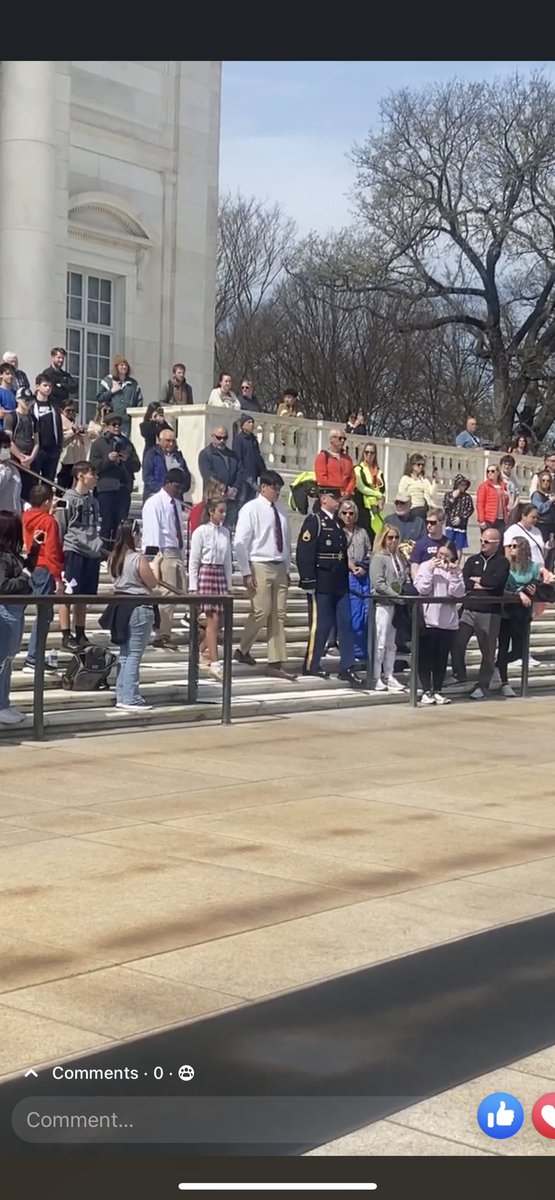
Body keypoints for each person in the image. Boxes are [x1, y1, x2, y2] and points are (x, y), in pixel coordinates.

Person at [296, 487, 365, 688]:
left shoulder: (336, 523)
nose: (338, 500)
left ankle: (347, 666)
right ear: (323, 499)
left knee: (345, 624)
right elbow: (305, 552)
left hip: (338, 582)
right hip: (322, 581)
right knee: (321, 625)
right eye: (334, 497)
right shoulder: (315, 521)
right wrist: (308, 580)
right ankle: (311, 663)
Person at [233, 470, 296, 680]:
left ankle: (275, 661)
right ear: (263, 488)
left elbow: (285, 541)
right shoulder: (251, 509)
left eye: (279, 488)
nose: (277, 492)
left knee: (279, 615)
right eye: (274, 488)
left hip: (278, 564)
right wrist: (245, 571)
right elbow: (241, 542)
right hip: (259, 563)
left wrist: (286, 569)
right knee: (261, 611)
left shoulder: (280, 510)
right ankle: (243, 649)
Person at [451, 528, 510, 699]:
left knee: (488, 651)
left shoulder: (502, 562)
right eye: (482, 540)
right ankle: (459, 674)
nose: (482, 544)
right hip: (468, 609)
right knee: (457, 641)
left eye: (487, 542)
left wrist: (480, 581)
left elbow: (497, 583)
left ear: (496, 544)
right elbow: (465, 581)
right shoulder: (472, 560)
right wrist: (482, 583)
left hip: (489, 612)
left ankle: (483, 685)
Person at [108, 520, 159, 711]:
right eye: (138, 534)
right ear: (133, 534)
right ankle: (130, 697)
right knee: (134, 654)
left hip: (121, 607)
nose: (140, 537)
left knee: (125, 653)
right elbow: (152, 583)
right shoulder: (138, 558)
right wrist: (157, 564)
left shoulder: (114, 557)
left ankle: (122, 694)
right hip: (138, 606)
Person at [54, 461, 103, 652]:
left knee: (84, 595)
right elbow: (60, 528)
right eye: (93, 474)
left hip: (92, 551)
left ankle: (80, 632)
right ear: (81, 476)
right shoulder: (66, 499)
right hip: (73, 550)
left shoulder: (94, 501)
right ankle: (66, 635)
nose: (96, 478)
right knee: (68, 594)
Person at [0, 511, 41, 723]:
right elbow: (3, 586)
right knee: (2, 659)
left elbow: (25, 569)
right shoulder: (3, 558)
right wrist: (24, 577)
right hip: (5, 611)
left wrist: (34, 551)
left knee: (7, 660)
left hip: (15, 610)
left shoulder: (11, 556)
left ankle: (4, 702)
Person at [141, 469, 188, 650]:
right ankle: (161, 634)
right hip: (163, 552)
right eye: (175, 486)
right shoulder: (154, 503)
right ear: (167, 483)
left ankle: (164, 629)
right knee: (166, 594)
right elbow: (153, 531)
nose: (177, 490)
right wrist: (154, 560)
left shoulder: (175, 504)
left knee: (178, 593)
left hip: (176, 551)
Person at [493, 536, 546, 699]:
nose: (511, 548)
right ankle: (504, 682)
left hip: (522, 612)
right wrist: (518, 593)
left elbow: (538, 587)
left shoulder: (534, 567)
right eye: (510, 546)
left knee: (519, 651)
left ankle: (496, 666)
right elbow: (501, 588)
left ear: (523, 548)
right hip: (506, 611)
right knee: (503, 647)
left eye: (515, 546)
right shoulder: (505, 565)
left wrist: (533, 590)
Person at [414, 541, 465, 705]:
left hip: (447, 622)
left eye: (446, 556)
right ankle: (425, 689)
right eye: (440, 554)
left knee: (441, 659)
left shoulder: (454, 571)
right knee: (426, 657)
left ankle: (437, 690)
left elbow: (458, 593)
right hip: (429, 621)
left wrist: (455, 573)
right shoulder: (425, 566)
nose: (442, 558)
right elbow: (422, 588)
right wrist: (430, 569)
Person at [21, 483, 65, 675]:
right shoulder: (49, 521)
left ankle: (33, 656)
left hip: (30, 565)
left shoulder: (25, 517)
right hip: (45, 567)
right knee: (44, 616)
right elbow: (52, 550)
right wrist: (58, 577)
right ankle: (33, 658)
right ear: (47, 501)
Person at [189, 497, 233, 681]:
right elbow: (194, 560)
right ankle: (215, 664)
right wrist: (193, 586)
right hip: (206, 574)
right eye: (220, 511)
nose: (222, 515)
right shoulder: (201, 532)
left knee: (220, 622)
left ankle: (199, 652)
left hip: (220, 575)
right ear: (211, 511)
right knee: (212, 619)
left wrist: (229, 585)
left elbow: (228, 561)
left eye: (224, 511)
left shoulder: (225, 533)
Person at [89, 415, 141, 551]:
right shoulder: (98, 444)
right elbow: (94, 468)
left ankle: (118, 551)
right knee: (107, 523)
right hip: (106, 488)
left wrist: (127, 460)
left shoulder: (127, 443)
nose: (117, 427)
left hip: (123, 488)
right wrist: (108, 460)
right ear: (106, 426)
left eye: (119, 424)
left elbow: (137, 466)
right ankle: (104, 551)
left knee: (121, 523)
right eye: (113, 424)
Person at [369, 524, 408, 693]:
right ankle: (376, 676)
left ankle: (389, 674)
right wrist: (395, 595)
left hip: (396, 605)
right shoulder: (379, 557)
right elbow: (378, 583)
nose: (393, 541)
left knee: (391, 643)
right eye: (390, 537)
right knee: (380, 641)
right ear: (384, 539)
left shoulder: (399, 557)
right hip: (383, 603)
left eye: (396, 538)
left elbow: (402, 577)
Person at [338, 497, 371, 663]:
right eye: (344, 513)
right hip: (348, 574)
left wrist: (363, 567)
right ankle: (355, 652)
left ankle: (364, 650)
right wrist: (351, 567)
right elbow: (340, 554)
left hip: (363, 574)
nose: (348, 516)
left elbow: (369, 552)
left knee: (366, 614)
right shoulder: (339, 531)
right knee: (354, 615)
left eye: (351, 513)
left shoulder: (362, 532)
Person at [198, 426, 244, 531]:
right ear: (212, 437)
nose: (222, 441)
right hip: (213, 500)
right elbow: (209, 475)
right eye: (219, 438)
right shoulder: (205, 454)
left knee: (229, 530)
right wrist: (225, 489)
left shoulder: (233, 455)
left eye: (225, 438)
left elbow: (240, 473)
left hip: (231, 501)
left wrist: (235, 489)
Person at [95, 355, 143, 437]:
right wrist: (112, 391)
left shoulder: (133, 383)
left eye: (126, 365)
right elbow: (99, 397)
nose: (124, 367)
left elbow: (139, 401)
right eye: (121, 365)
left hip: (126, 421)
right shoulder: (108, 381)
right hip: (111, 421)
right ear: (116, 367)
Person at [4, 387, 39, 501]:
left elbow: (37, 441)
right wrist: (21, 457)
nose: (28, 403)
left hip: (30, 460)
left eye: (30, 400)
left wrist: (31, 457)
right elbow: (8, 440)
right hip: (15, 459)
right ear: (18, 399)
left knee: (28, 490)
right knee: (14, 490)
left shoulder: (33, 419)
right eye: (25, 400)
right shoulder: (11, 416)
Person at [142, 427, 191, 504]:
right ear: (160, 440)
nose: (171, 444)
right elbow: (147, 477)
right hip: (156, 497)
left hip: (176, 498)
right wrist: (164, 490)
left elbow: (186, 476)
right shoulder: (152, 454)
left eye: (173, 441)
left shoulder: (178, 456)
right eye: (168, 440)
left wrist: (180, 489)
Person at [32, 374, 64, 483]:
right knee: (33, 480)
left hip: (52, 449)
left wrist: (59, 446)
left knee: (48, 482)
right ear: (37, 386)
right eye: (45, 385)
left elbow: (59, 426)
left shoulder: (54, 405)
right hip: (37, 449)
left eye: (50, 386)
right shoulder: (32, 405)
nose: (48, 388)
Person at [354, 441, 385, 541]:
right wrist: (378, 495)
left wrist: (382, 499)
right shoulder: (358, 469)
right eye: (366, 452)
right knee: (365, 534)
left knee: (378, 534)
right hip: (363, 507)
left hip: (376, 508)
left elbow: (383, 489)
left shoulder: (379, 471)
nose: (369, 455)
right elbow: (361, 487)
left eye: (372, 453)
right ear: (363, 453)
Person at [58, 401, 93, 490]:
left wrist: (82, 433)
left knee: (74, 485)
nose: (71, 413)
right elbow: (60, 438)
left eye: (73, 411)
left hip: (78, 459)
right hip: (65, 459)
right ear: (62, 410)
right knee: (62, 484)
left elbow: (86, 441)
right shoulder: (59, 421)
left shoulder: (76, 422)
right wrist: (72, 431)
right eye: (68, 410)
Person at [232, 415, 266, 504]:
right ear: (243, 425)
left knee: (251, 500)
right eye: (249, 422)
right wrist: (244, 474)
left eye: (252, 422)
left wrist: (263, 472)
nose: (251, 425)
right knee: (242, 500)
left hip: (254, 475)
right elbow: (238, 458)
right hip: (244, 477)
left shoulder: (253, 440)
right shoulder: (239, 440)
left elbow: (258, 456)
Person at [409, 508, 449, 581]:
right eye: (427, 522)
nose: (429, 525)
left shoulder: (449, 543)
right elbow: (414, 569)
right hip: (425, 584)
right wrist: (419, 585)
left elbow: (453, 565)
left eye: (433, 522)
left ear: (442, 522)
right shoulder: (420, 543)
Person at [314, 429, 355, 496]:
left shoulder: (347, 459)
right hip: (329, 496)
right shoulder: (322, 456)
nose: (342, 441)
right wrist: (338, 490)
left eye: (344, 439)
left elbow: (352, 478)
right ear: (331, 440)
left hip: (345, 496)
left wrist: (347, 492)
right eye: (340, 438)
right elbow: (321, 480)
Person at [397, 454, 438, 519]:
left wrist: (435, 480)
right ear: (412, 465)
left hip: (425, 508)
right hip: (413, 508)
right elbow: (401, 494)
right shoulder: (406, 479)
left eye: (423, 465)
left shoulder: (424, 480)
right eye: (418, 464)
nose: (421, 467)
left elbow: (432, 494)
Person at [443, 474, 474, 552]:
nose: (463, 487)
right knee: (448, 544)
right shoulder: (448, 495)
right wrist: (453, 498)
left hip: (461, 526)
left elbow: (470, 509)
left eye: (465, 485)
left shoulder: (467, 497)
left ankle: (457, 563)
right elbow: (446, 507)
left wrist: (461, 518)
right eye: (461, 485)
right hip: (450, 524)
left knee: (459, 547)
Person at [531, 471, 555, 568]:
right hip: (541, 525)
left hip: (552, 525)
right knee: (541, 549)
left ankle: (549, 570)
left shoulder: (551, 494)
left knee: (551, 549)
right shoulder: (536, 495)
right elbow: (539, 509)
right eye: (543, 480)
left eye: (548, 481)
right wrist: (550, 502)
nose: (546, 483)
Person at [476, 464, 509, 534]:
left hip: (501, 519)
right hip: (488, 520)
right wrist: (481, 520)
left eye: (492, 471)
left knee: (499, 542)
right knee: (489, 541)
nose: (490, 473)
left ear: (498, 472)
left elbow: (506, 504)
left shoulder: (503, 486)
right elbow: (480, 504)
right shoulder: (484, 486)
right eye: (488, 471)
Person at [0, 431, 22, 512]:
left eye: (8, 447)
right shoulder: (6, 469)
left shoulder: (13, 469)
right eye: (4, 447)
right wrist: (3, 467)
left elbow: (15, 495)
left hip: (14, 518)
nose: (6, 450)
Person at [0, 362, 17, 430]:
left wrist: (7, 412)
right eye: (7, 374)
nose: (10, 376)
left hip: (14, 430)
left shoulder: (16, 393)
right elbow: (1, 414)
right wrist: (15, 412)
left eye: (12, 374)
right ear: (1, 375)